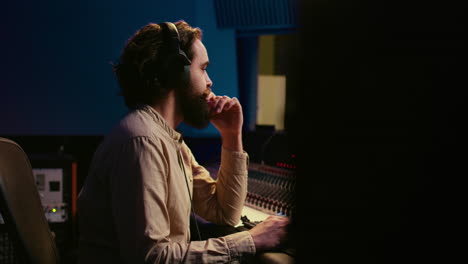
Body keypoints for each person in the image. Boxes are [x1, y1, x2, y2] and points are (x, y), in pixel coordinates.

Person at [77, 20, 289, 263]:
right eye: (203, 68)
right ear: (177, 73)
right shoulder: (143, 141)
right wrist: (251, 240)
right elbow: (151, 257)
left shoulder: (167, 139)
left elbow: (224, 212)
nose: (210, 82)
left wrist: (231, 137)